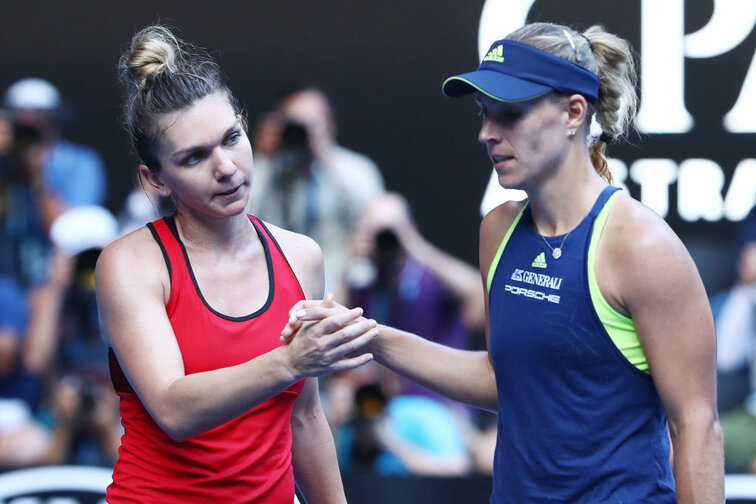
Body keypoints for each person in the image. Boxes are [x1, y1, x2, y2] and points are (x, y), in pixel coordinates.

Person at [283, 22, 724, 502]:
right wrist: (364, 334)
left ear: (574, 112)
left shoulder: (641, 246)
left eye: (509, 113)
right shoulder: (498, 230)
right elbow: (503, 379)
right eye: (483, 113)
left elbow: (696, 425)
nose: (486, 133)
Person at [96, 25, 376, 503]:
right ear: (156, 178)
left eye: (231, 138)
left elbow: (305, 416)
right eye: (194, 157)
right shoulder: (129, 263)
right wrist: (288, 361)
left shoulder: (300, 256)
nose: (225, 167)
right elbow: (174, 410)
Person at [245, 87, 385, 297]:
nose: (301, 131)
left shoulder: (356, 169)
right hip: (277, 285)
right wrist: (263, 158)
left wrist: (324, 155)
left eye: (311, 122)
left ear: (330, 126)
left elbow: (376, 221)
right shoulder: (270, 171)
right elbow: (242, 213)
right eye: (294, 123)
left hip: (340, 285)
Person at [3, 77, 107, 208]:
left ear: (54, 120)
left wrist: (36, 176)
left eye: (37, 121)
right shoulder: (4, 161)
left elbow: (74, 222)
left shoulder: (80, 162)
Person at [711, 205, 756, 472]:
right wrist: (746, 285)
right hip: (752, 420)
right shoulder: (747, 297)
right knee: (672, 446)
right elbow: (726, 359)